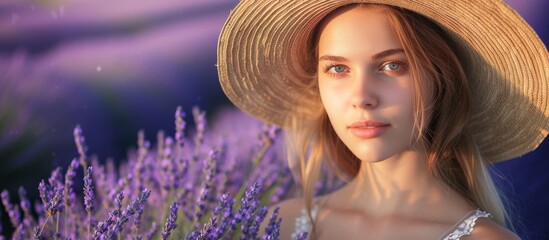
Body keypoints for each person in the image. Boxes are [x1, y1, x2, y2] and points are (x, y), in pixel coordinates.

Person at [217, 1, 549, 239]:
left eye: (392, 66)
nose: (361, 97)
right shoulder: (276, 224)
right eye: (338, 69)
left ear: (441, 78)